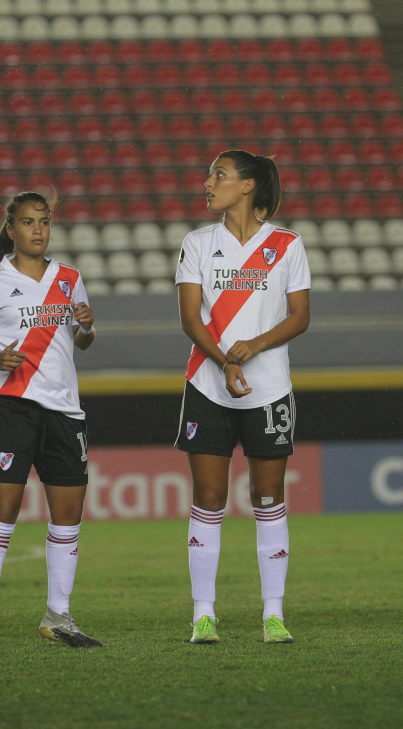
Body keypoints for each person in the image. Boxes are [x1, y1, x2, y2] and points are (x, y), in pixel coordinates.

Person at [0, 190, 102, 653]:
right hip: (11, 405)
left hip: (65, 410)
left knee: (68, 517)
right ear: (11, 229)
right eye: (28, 222)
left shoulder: (69, 278)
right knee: (2, 513)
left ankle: (59, 617)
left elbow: (82, 341)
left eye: (44, 221)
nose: (38, 229)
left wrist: (86, 326)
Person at [175, 150, 310, 645]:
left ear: (248, 186)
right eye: (210, 174)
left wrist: (255, 345)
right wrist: (226, 361)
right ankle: (203, 615)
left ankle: (273, 614)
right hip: (207, 386)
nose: (208, 183)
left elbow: (300, 316)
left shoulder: (288, 245)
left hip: (269, 389)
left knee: (268, 499)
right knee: (208, 500)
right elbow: (190, 319)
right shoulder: (196, 243)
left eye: (219, 175)